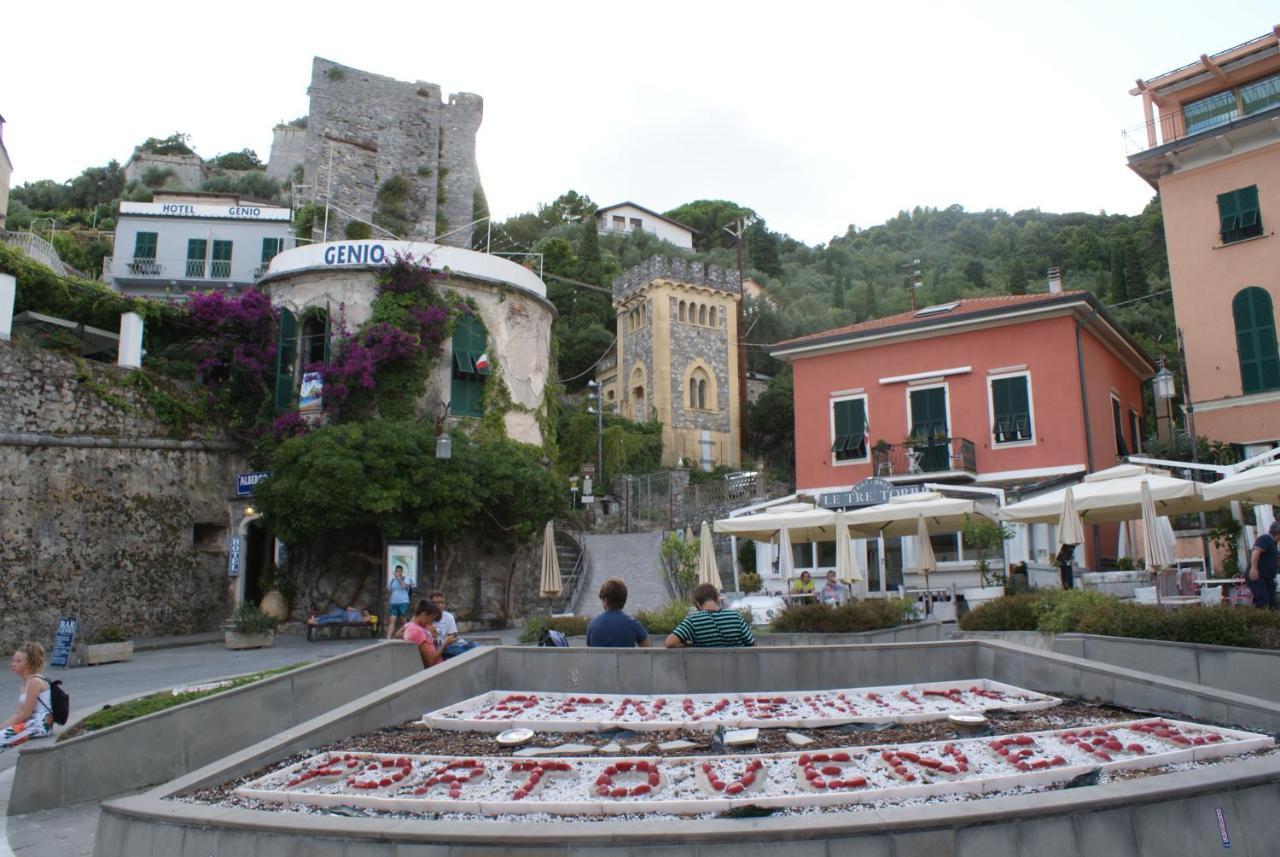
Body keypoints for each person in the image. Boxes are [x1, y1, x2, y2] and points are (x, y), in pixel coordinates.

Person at [664, 583, 754, 648]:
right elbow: (751, 642)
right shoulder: (736, 616)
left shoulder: (693, 620)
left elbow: (669, 642)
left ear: (697, 603)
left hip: (707, 669)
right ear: (717, 599)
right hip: (737, 670)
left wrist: (690, 645)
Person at [1, 642, 53, 753]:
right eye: (13, 661)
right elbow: (18, 713)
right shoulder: (25, 683)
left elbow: (26, 714)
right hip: (30, 723)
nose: (13, 664)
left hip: (40, 725)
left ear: (29, 664)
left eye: (18, 661)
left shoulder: (35, 681)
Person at [586, 579, 650, 648]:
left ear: (605, 600)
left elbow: (590, 650)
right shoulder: (634, 624)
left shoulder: (593, 624)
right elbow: (648, 650)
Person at [428, 590, 480, 659]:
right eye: (437, 603)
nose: (440, 605)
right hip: (440, 650)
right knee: (461, 651)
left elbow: (452, 638)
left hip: (448, 647)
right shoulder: (427, 618)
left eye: (442, 602)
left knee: (473, 645)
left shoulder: (449, 617)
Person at [398, 599, 443, 668]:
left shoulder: (410, 626)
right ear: (424, 614)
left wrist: (433, 638)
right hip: (437, 668)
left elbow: (398, 634)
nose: (431, 623)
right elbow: (430, 661)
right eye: (431, 619)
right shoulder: (418, 631)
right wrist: (445, 644)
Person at [1248, 521, 1280, 610]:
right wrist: (1253, 569)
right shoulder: (1265, 538)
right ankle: (1259, 621)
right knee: (1263, 601)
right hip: (1258, 575)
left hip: (1267, 577)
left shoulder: (1274, 543)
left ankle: (1269, 621)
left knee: (1271, 601)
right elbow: (1255, 553)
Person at [386, 564, 412, 640]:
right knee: (391, 621)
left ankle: (407, 637)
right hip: (394, 603)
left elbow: (404, 586)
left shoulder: (406, 578)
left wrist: (398, 578)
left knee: (403, 621)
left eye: (399, 571)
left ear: (402, 572)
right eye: (396, 571)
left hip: (403, 602)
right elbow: (389, 590)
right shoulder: (392, 580)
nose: (398, 572)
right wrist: (388, 588)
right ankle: (388, 638)